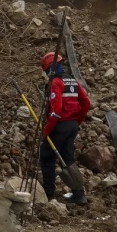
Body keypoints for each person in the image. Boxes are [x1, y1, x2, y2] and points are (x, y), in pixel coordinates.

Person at [40, 52, 91, 205]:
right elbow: (86, 103)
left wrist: (46, 132)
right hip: (72, 125)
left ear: (49, 68)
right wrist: (77, 122)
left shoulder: (55, 82)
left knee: (47, 156)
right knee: (67, 159)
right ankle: (79, 194)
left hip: (60, 126)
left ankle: (49, 195)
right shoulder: (72, 80)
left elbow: (56, 112)